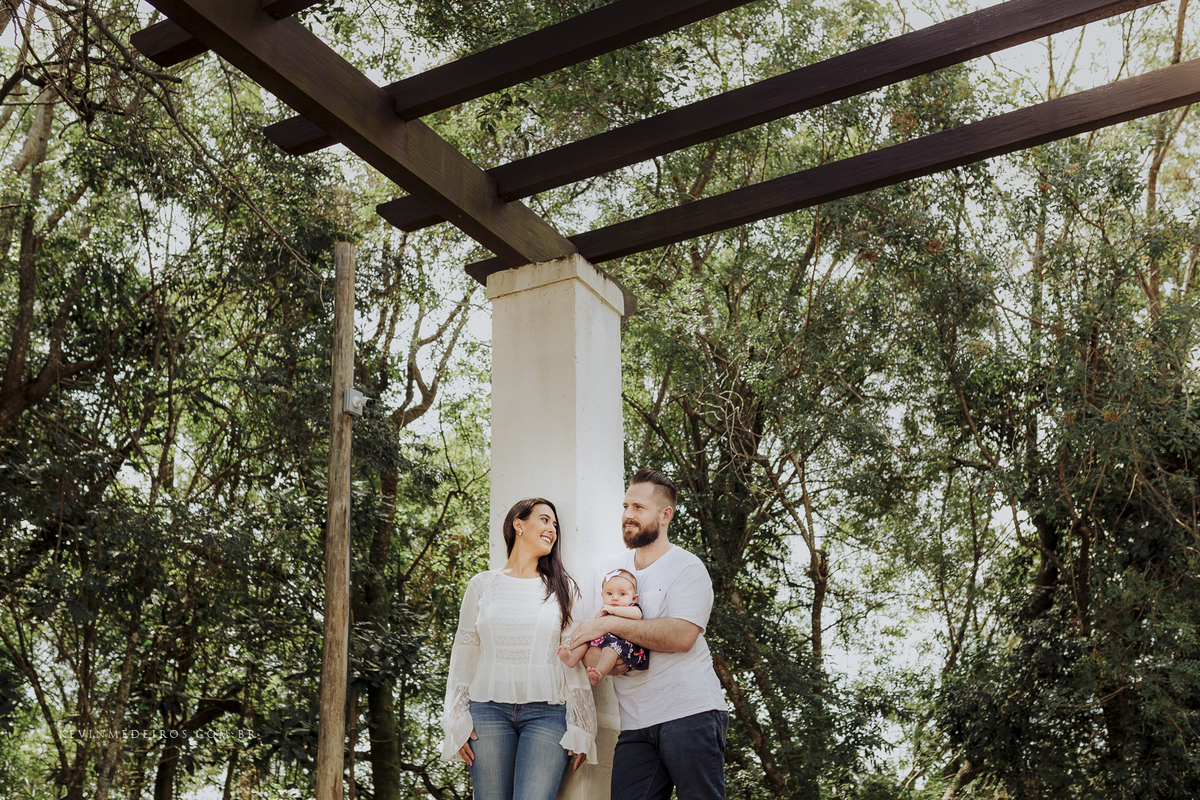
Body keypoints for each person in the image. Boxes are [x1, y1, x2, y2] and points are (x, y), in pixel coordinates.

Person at [569, 469, 728, 800]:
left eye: (638, 508)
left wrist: (611, 625)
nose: (628, 515)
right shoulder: (610, 571)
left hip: (692, 713)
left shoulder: (687, 568)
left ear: (665, 514)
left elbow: (682, 636)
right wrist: (606, 653)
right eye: (626, 506)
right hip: (636, 725)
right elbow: (590, 645)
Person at [441, 497, 597, 800]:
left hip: (548, 715)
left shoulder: (563, 589)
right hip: (487, 712)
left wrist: (582, 725)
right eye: (544, 519)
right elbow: (465, 653)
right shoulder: (482, 585)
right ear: (518, 524)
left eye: (555, 524)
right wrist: (456, 719)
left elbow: (573, 658)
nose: (552, 528)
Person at [556, 568, 648, 685]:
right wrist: (598, 618)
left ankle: (599, 673)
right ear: (602, 595)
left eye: (622, 594)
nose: (615, 598)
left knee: (611, 649)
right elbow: (594, 629)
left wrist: (613, 610)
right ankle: (573, 657)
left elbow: (637, 615)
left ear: (634, 598)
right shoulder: (606, 609)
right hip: (606, 640)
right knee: (586, 640)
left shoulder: (631, 608)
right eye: (609, 593)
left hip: (621, 645)